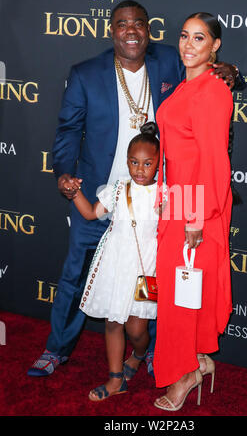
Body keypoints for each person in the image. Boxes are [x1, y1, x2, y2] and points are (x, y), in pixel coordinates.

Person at [27, 0, 243, 378]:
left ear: (149, 30)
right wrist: (63, 171)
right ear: (111, 30)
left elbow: (205, 76)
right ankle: (56, 348)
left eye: (138, 24)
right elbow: (67, 132)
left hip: (157, 202)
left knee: (153, 282)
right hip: (104, 196)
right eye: (122, 24)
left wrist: (230, 72)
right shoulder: (85, 74)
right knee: (76, 276)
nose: (131, 31)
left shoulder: (170, 60)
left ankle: (156, 353)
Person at [153, 12, 233, 411]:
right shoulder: (189, 85)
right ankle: (200, 359)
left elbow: (215, 163)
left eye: (199, 38)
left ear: (214, 45)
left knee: (184, 296)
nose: (188, 45)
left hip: (196, 206)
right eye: (184, 36)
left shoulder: (213, 91)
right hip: (176, 202)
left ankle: (187, 372)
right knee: (180, 292)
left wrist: (196, 217)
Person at [62, 123, 160, 400]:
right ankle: (116, 379)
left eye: (147, 163)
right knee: (113, 322)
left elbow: (181, 225)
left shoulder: (165, 193)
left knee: (137, 328)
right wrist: (74, 192)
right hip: (115, 263)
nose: (139, 169)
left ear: (157, 163)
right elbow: (93, 213)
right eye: (134, 162)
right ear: (126, 161)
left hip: (146, 268)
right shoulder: (118, 189)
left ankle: (139, 354)